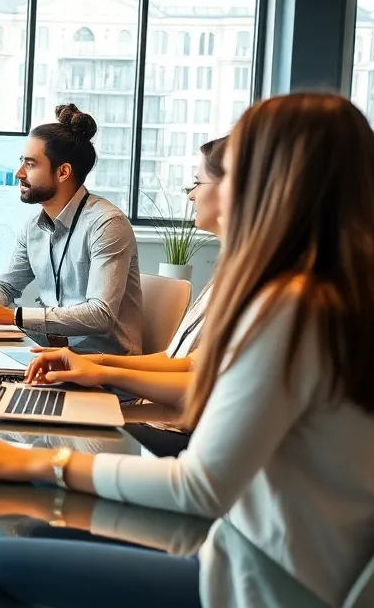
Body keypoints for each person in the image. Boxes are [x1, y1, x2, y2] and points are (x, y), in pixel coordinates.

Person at [0, 93, 374, 608]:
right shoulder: (356, 297)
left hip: (261, 587)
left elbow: (199, 488)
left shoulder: (293, 308)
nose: (204, 187)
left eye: (231, 169)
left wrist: (43, 461)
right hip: (272, 556)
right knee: (22, 530)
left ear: (272, 183)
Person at [22, 136, 229, 414]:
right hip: (157, 409)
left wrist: (104, 372)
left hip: (164, 418)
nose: (191, 195)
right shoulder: (227, 274)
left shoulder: (107, 223)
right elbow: (182, 361)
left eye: (198, 183)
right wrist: (94, 363)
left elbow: (202, 387)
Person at [0, 104, 144, 356]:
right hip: (49, 355)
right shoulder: (33, 227)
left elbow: (100, 315)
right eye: (22, 162)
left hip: (102, 365)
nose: (19, 174)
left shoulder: (107, 224)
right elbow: (4, 286)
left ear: (63, 172)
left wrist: (14, 316)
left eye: (30, 164)